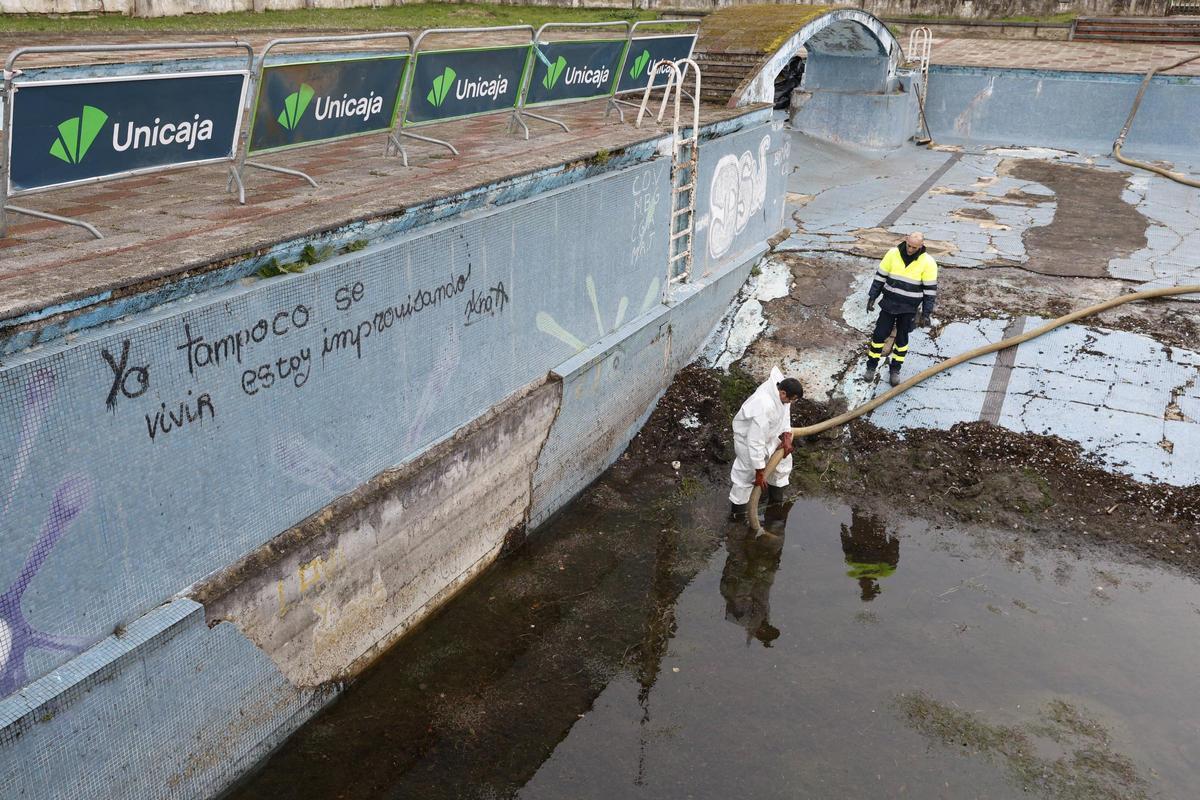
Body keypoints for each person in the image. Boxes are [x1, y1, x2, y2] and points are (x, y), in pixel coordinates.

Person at [729, 366, 804, 519]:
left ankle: (775, 505)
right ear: (783, 393)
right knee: (746, 477)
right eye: (791, 400)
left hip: (770, 434)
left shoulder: (782, 392)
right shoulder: (763, 404)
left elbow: (785, 412)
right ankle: (738, 515)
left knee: (783, 462)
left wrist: (787, 435)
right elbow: (755, 441)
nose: (791, 403)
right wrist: (759, 471)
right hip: (748, 442)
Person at [865, 231, 938, 386]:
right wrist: (872, 297)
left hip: (909, 309)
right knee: (879, 336)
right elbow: (880, 277)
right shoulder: (892, 254)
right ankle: (871, 366)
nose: (910, 249)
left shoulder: (928, 262)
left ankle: (895, 369)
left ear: (921, 246)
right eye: (909, 245)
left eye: (914, 247)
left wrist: (926, 313)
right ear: (905, 240)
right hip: (889, 304)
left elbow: (930, 291)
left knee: (902, 340)